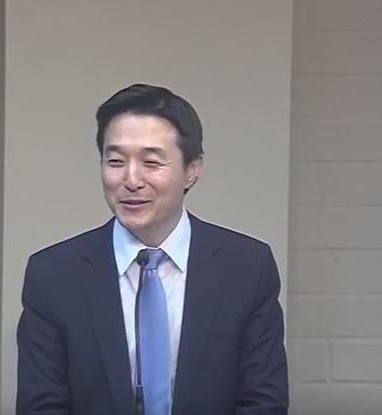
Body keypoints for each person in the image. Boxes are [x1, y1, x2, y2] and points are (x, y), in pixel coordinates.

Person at [16, 83, 288, 415]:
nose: (131, 180)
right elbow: (41, 404)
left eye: (151, 162)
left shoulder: (247, 267)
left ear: (192, 169)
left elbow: (264, 401)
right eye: (115, 161)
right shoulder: (53, 275)